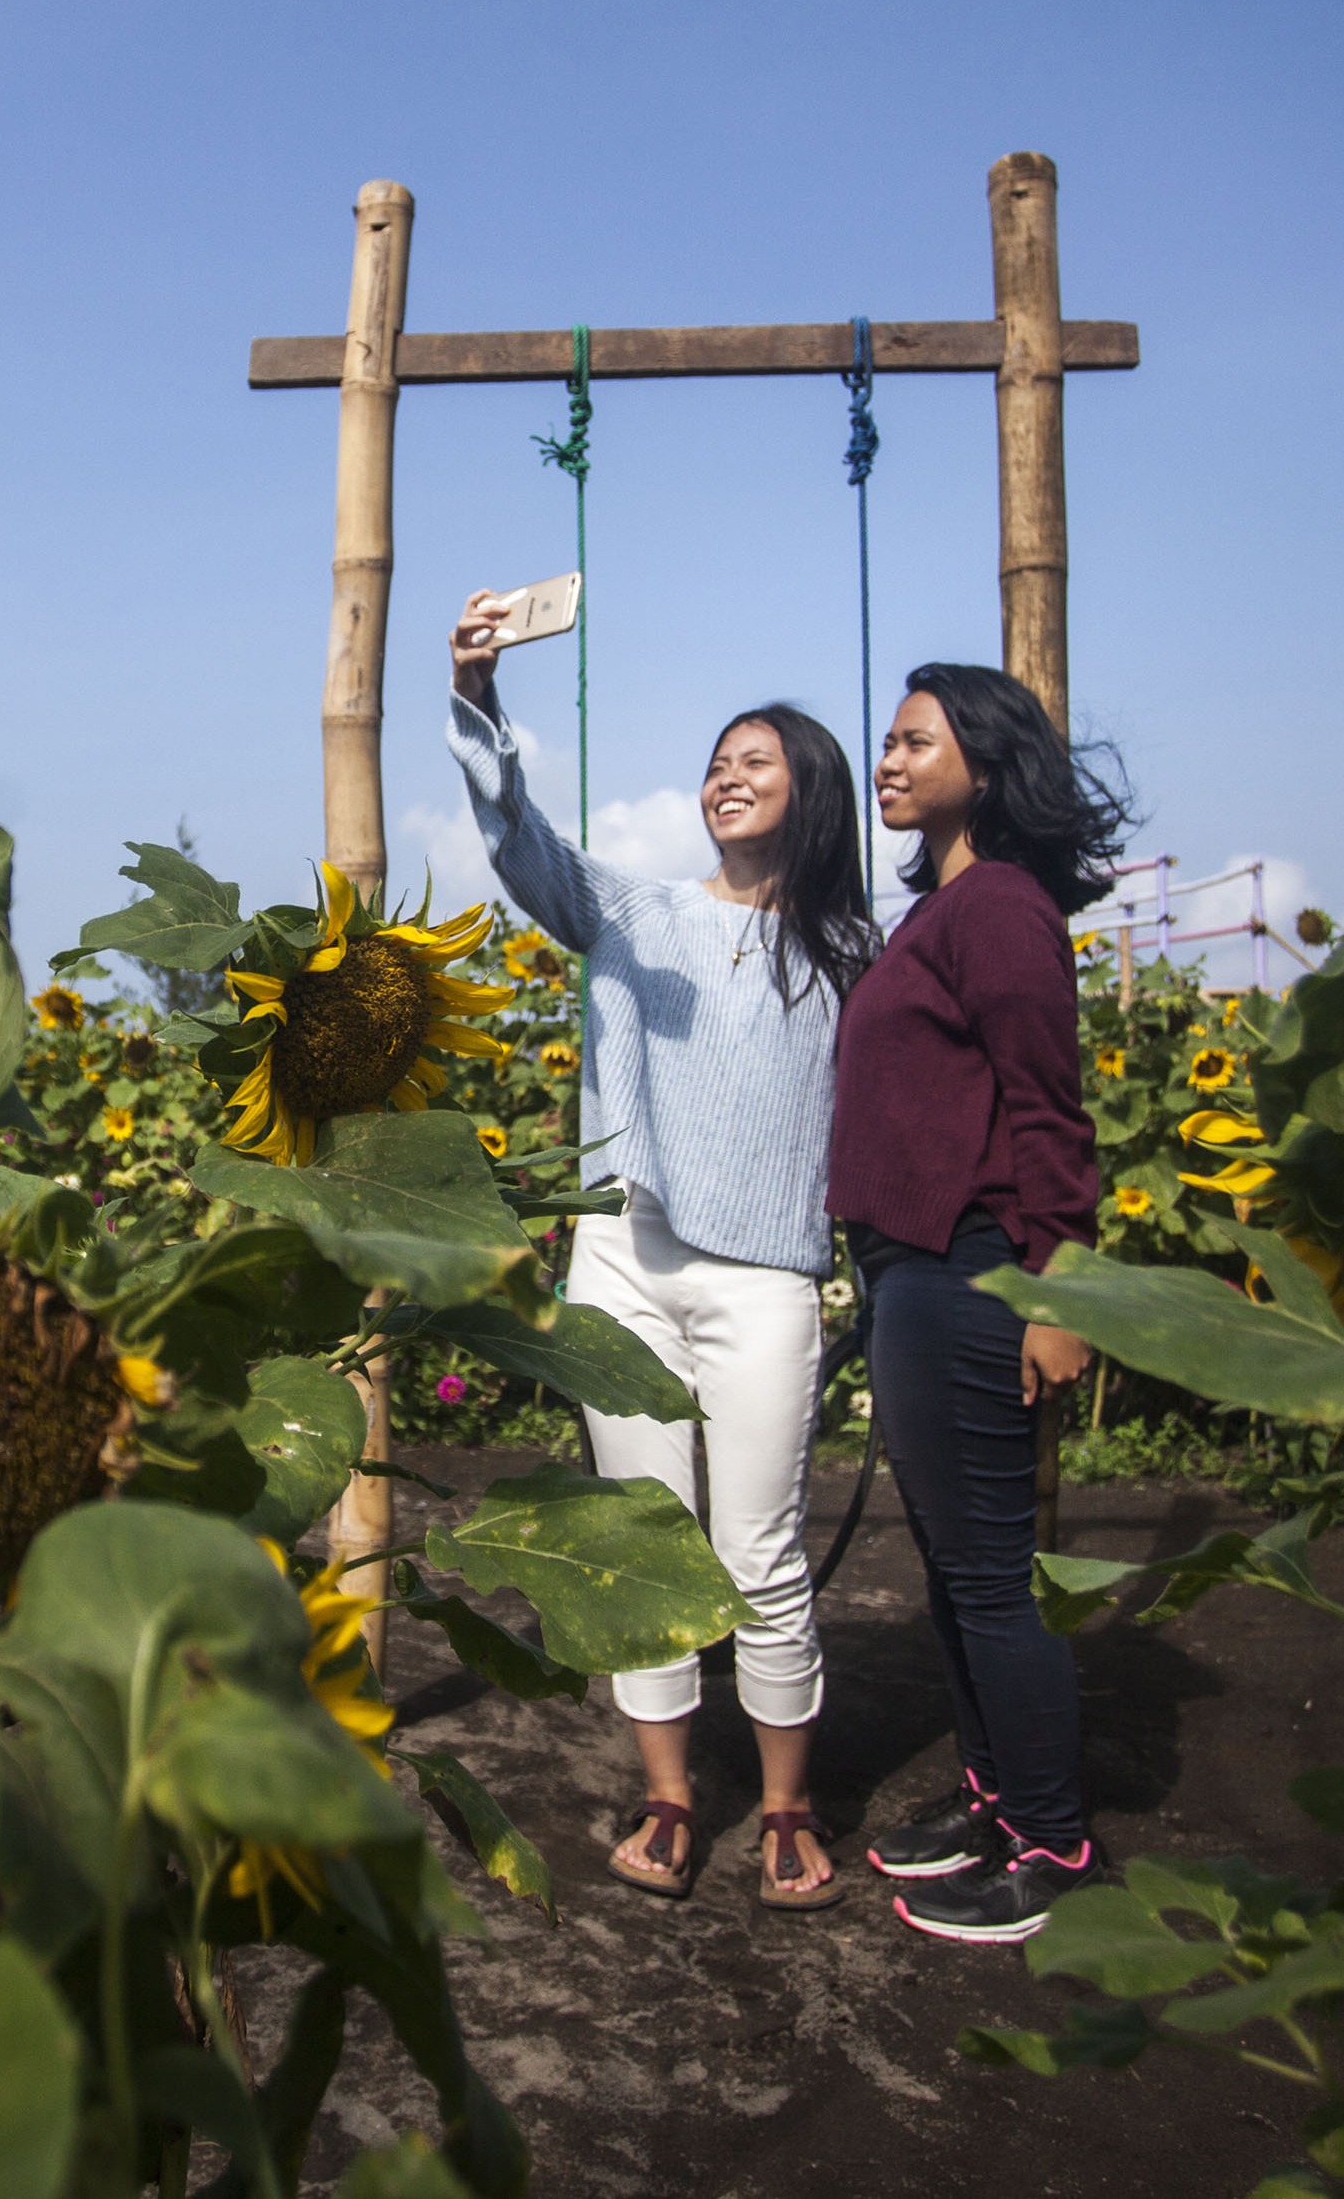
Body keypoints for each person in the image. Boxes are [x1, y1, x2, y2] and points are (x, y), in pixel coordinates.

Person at [444, 588, 879, 1910]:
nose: (724, 778)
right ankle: (673, 1796)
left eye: (756, 762)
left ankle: (791, 1808)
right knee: (644, 1538)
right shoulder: (628, 911)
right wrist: (476, 693)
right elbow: (518, 838)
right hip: (625, 1261)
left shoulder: (851, 953)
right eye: (715, 763)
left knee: (759, 1549)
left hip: (766, 1281)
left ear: (812, 797)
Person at [829, 661, 1131, 1945]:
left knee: (991, 1577)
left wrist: (1059, 1286)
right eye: (886, 744)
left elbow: (1047, 1106)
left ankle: (1055, 1842)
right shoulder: (938, 912)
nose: (887, 761)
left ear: (986, 766)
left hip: (975, 1266)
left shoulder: (999, 907)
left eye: (913, 743)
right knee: (957, 1570)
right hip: (918, 1267)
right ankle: (998, 1801)